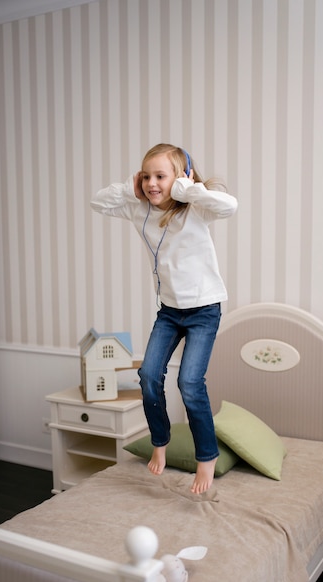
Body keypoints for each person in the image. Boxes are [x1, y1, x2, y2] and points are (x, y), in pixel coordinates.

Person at [91, 143, 237, 494]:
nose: (153, 183)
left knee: (189, 382)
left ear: (180, 178)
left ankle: (207, 457)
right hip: (169, 311)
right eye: (147, 176)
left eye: (161, 176)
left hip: (204, 310)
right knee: (148, 375)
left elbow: (230, 206)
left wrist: (188, 190)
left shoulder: (195, 208)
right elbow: (98, 202)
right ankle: (161, 440)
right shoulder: (138, 208)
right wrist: (131, 187)